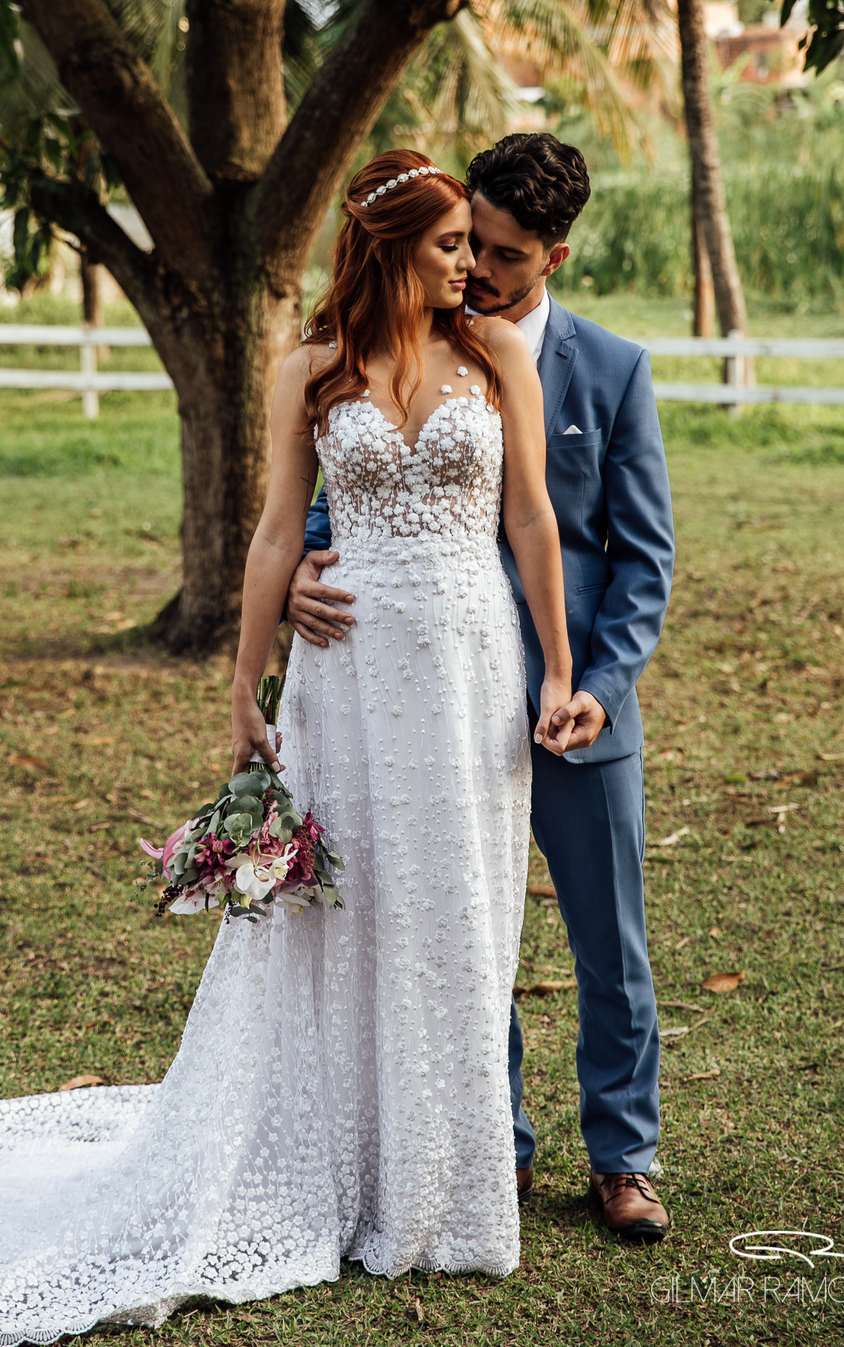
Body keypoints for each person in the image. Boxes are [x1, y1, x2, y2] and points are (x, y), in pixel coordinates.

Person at [0, 150, 574, 1342]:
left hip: (473, 667)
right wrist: (246, 683)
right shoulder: (310, 372)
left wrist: (558, 667)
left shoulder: (494, 355)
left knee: (459, 915)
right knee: (350, 913)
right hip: (345, 677)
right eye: (450, 246)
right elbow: (277, 530)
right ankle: (338, 1169)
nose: (471, 267)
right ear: (394, 249)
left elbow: (531, 516)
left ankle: (438, 1193)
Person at [288, 133, 676, 1244]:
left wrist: (596, 683)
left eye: (504, 254)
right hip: (421, 697)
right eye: (469, 245)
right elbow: (350, 485)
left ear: (555, 255)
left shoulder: (610, 372)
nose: (477, 272)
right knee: (449, 929)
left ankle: (624, 1157)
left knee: (609, 943)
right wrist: (312, 567)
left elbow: (642, 557)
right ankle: (484, 1146)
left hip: (568, 710)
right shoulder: (408, 343)